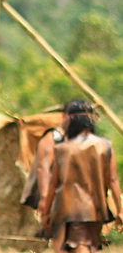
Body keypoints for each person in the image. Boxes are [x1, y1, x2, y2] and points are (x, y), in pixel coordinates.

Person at [40, 105, 123, 252]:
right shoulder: (106, 146)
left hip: (74, 210)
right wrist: (120, 210)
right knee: (90, 245)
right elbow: (113, 180)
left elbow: (54, 184)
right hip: (98, 210)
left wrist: (46, 212)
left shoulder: (63, 149)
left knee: (81, 245)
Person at [20, 99, 94, 253]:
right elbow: (43, 168)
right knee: (61, 242)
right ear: (64, 116)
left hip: (79, 202)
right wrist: (45, 198)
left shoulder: (84, 140)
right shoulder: (53, 138)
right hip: (58, 200)